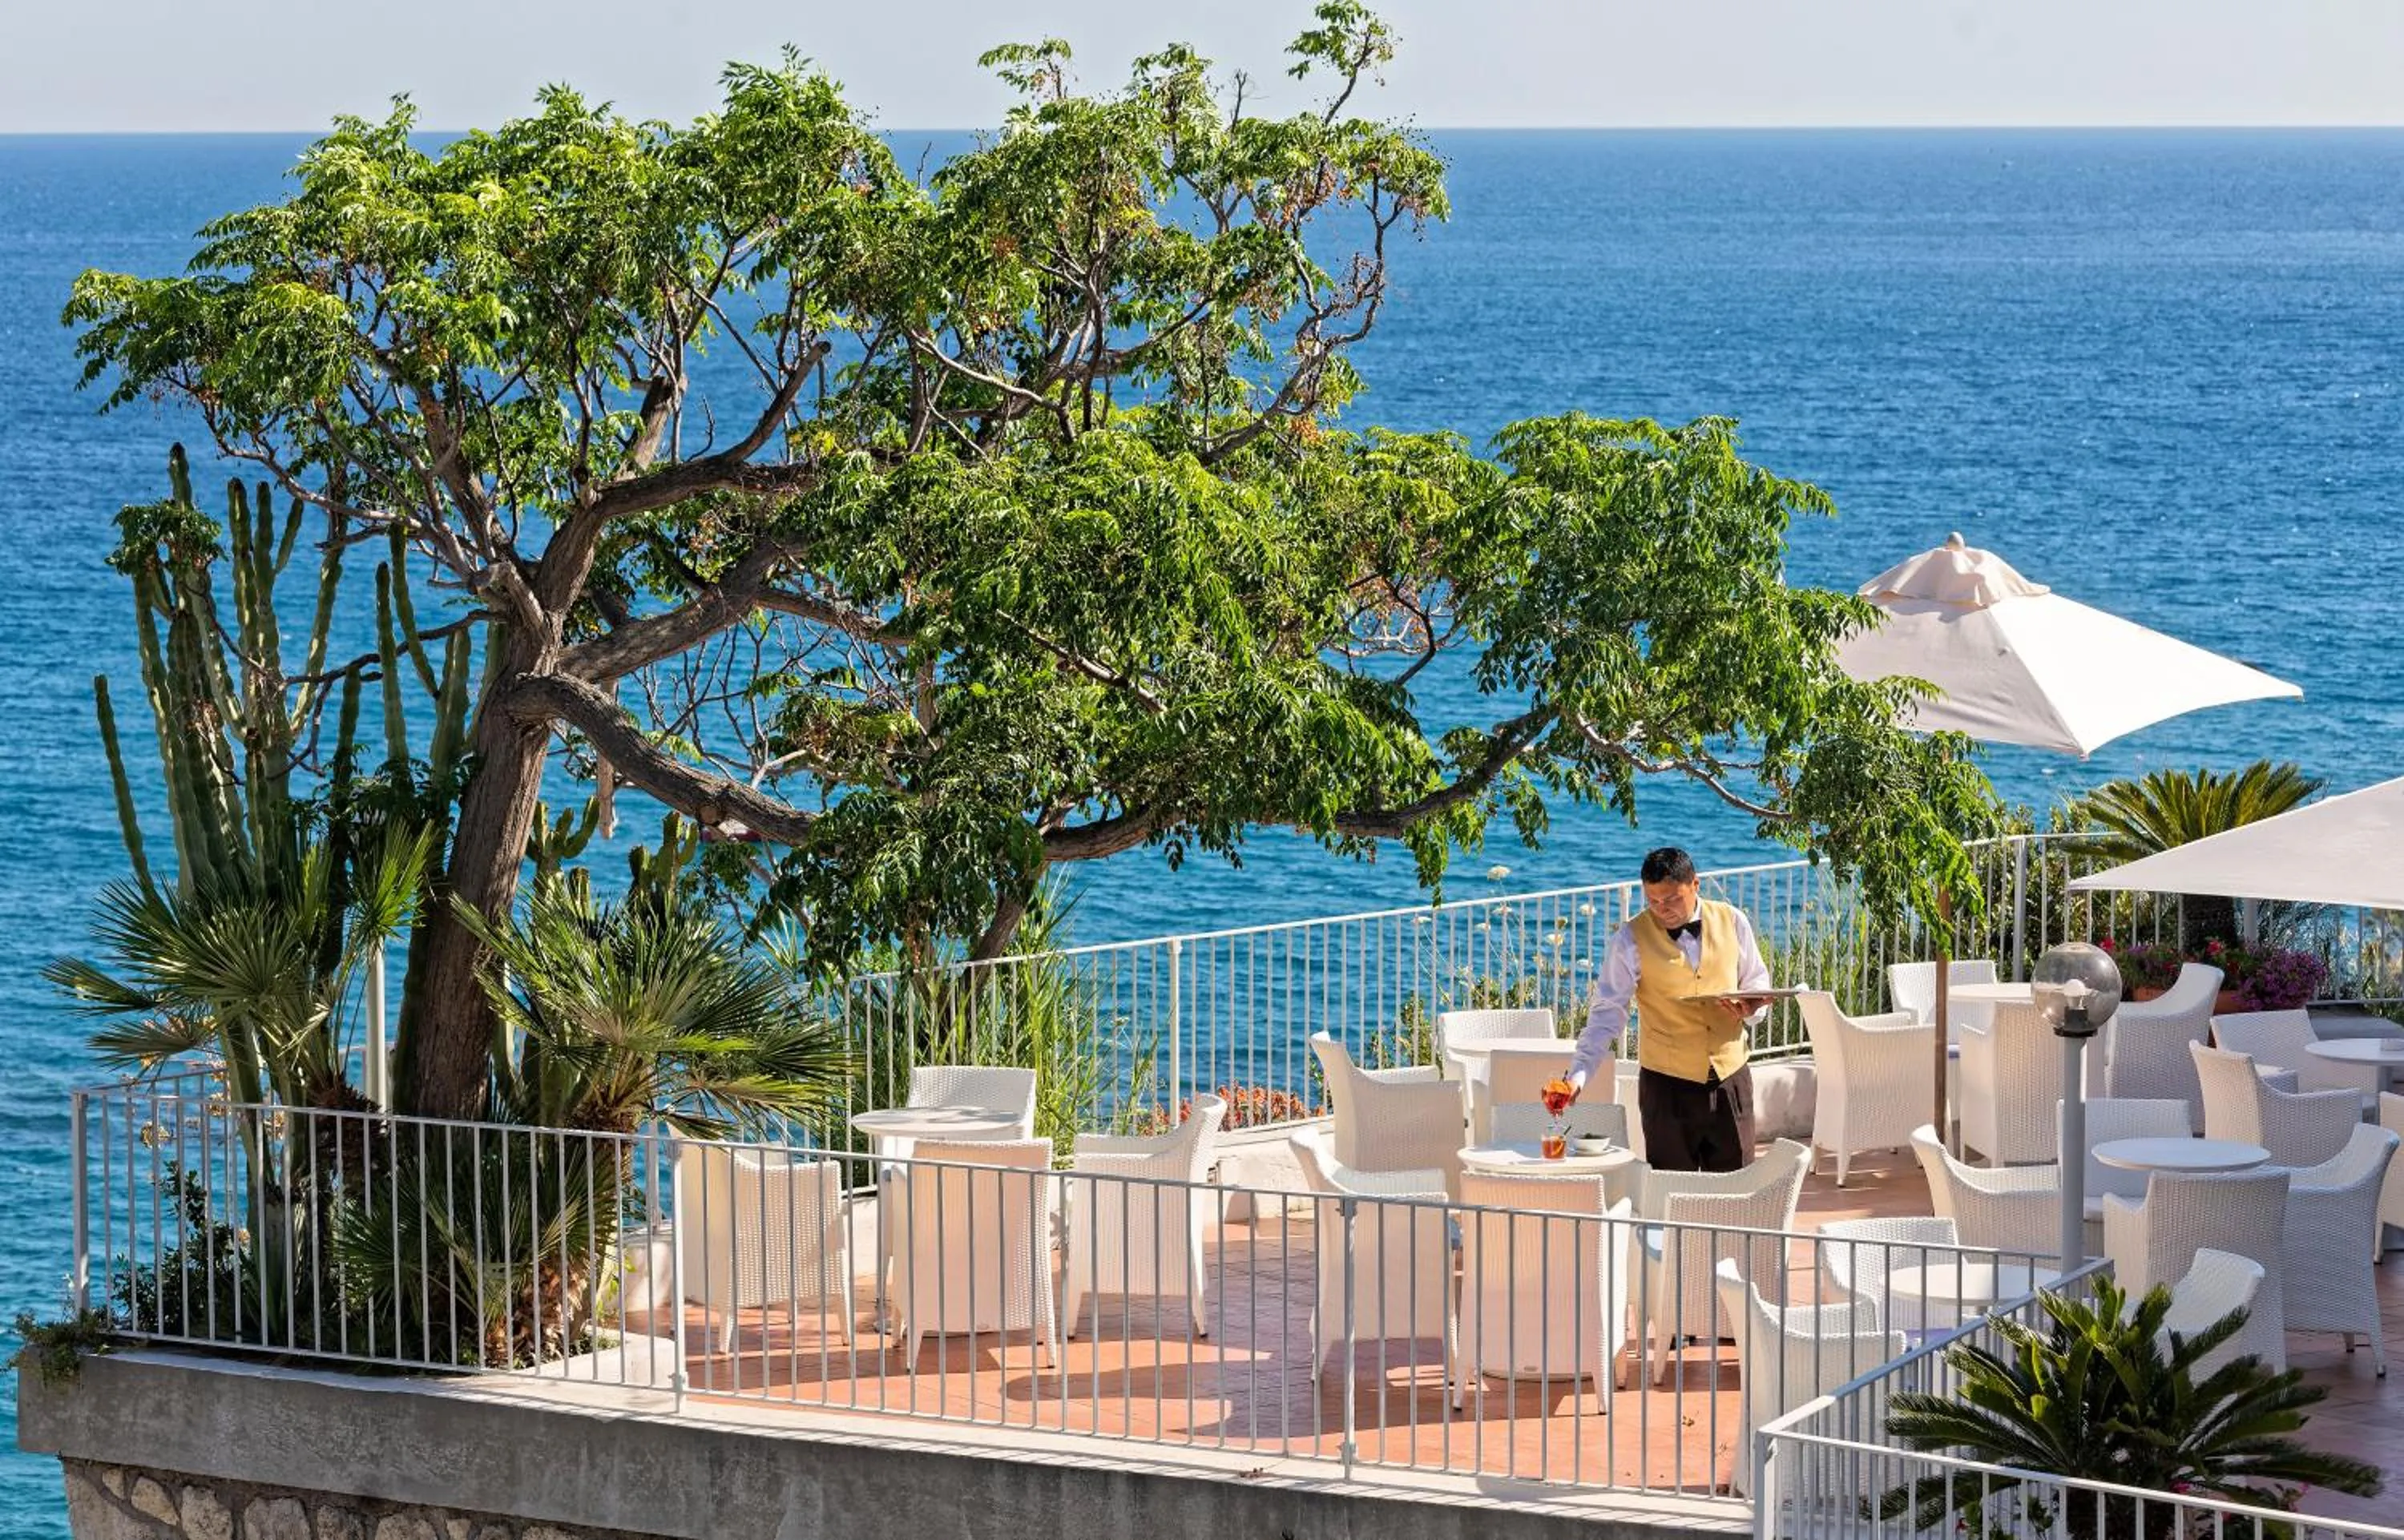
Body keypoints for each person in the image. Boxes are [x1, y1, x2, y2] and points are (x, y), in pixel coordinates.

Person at [1566, 846, 1774, 1173]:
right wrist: (1577, 1076)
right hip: (1666, 1089)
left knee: (1738, 1192)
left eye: (1672, 899)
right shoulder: (1629, 939)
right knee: (1670, 1195)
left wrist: (1750, 1008)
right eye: (1653, 901)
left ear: (1695, 885)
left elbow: (1758, 982)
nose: (1663, 911)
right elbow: (1607, 1015)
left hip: (1731, 1079)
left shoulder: (1733, 921)